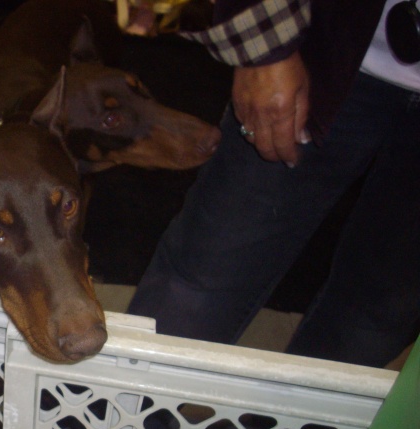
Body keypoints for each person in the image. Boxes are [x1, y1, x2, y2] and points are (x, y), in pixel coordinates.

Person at [127, 0, 420, 368]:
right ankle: (126, 421)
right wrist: (263, 49)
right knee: (203, 277)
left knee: (381, 312)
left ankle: (298, 427)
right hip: (320, 42)